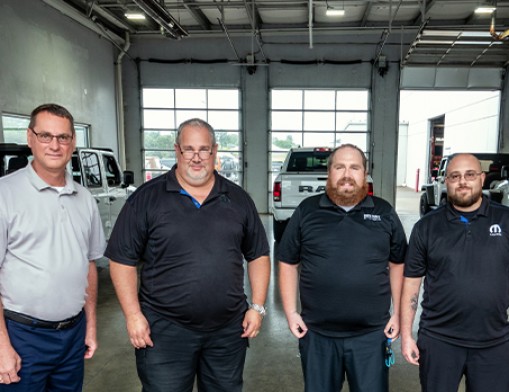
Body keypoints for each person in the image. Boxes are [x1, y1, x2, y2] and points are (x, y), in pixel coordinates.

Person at [105, 118, 270, 392]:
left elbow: (259, 255)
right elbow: (122, 260)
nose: (196, 158)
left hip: (228, 332)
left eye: (203, 149)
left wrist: (258, 307)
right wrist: (134, 315)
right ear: (177, 150)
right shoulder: (147, 198)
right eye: (189, 149)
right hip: (164, 332)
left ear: (214, 151)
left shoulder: (238, 199)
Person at [278, 144, 408, 392]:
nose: (347, 174)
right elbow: (288, 261)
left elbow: (398, 263)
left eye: (354, 167)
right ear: (330, 173)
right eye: (339, 167)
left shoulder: (384, 212)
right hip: (317, 334)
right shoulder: (307, 210)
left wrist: (398, 313)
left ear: (364, 174)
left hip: (371, 335)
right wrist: (291, 312)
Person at [0, 103, 105, 390]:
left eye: (63, 137)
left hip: (72, 335)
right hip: (21, 336)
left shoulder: (84, 198)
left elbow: (89, 264)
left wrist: (91, 325)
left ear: (73, 143)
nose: (55, 145)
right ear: (30, 138)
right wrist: (1, 346)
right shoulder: (4, 194)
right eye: (46, 136)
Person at [401, 153, 509, 392]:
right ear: (445, 181)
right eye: (455, 176)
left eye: (470, 175)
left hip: (494, 342)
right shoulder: (426, 227)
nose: (463, 181)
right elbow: (411, 283)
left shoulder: (505, 220)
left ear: (482, 179)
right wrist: (407, 335)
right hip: (439, 341)